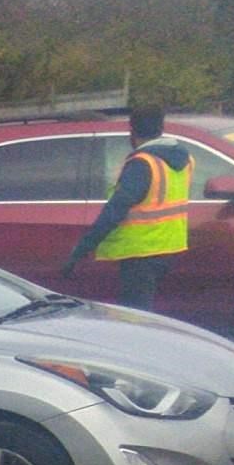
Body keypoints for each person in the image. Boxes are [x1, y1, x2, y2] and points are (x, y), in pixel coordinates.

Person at [65, 106, 192, 311]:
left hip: (140, 252)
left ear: (132, 131)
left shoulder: (143, 163)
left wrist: (83, 248)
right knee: (150, 312)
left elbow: (116, 208)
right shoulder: (182, 158)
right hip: (170, 246)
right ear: (161, 128)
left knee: (135, 315)